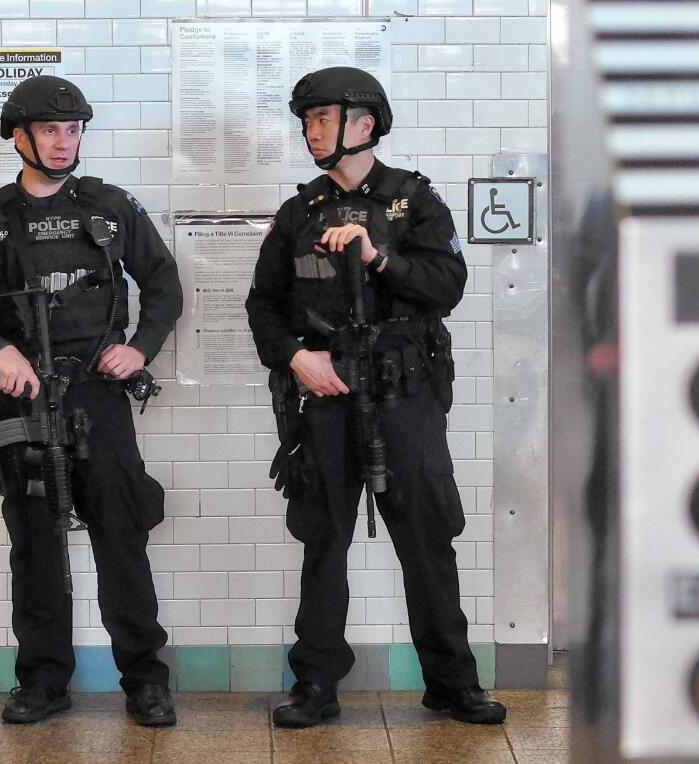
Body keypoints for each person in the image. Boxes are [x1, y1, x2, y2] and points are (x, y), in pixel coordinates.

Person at [245, 66, 507, 728]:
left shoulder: (413, 201)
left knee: (427, 543)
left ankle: (452, 682)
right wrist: (294, 356)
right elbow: (264, 305)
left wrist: (378, 258)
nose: (312, 130)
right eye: (306, 121)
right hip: (330, 400)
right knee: (323, 545)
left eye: (324, 118)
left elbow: (448, 283)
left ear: (364, 125)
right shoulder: (298, 213)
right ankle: (315, 687)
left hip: (406, 398)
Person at [0, 75, 182, 728]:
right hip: (19, 407)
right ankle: (43, 682)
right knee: (36, 547)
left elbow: (163, 283)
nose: (63, 142)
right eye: (50, 129)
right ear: (18, 136)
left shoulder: (109, 209)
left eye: (72, 130)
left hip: (97, 399)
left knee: (122, 539)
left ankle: (145, 681)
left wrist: (141, 348)